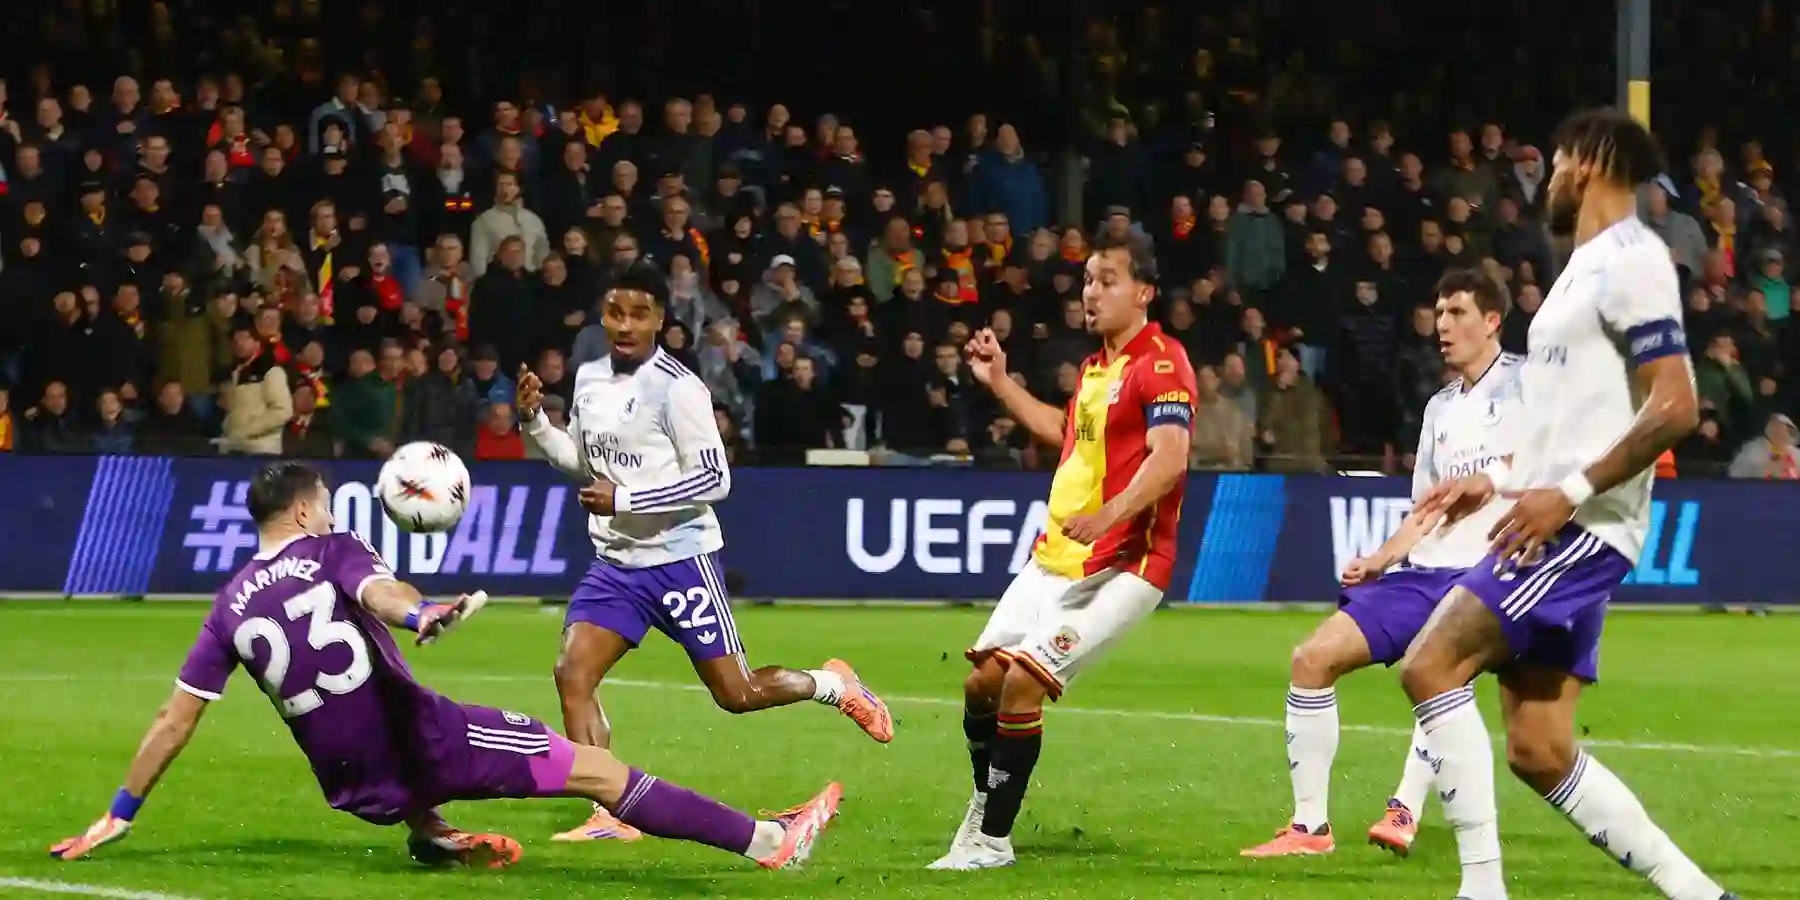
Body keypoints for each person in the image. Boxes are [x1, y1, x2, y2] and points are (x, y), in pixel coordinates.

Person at [47, 462, 841, 870]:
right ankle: (767, 840)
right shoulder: (330, 550)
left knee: (388, 743)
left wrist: (120, 809)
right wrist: (419, 612)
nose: (327, 512)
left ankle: (432, 835)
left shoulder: (228, 604)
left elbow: (175, 718)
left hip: (354, 786)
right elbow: (381, 592)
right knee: (599, 771)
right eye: (321, 502)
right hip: (424, 741)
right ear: (300, 513)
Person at [1407, 109, 1737, 900]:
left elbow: (1676, 402)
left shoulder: (1633, 258)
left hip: (1581, 530)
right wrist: (1502, 483)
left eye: (1554, 161)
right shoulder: (1583, 268)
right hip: (1552, 518)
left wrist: (1572, 494)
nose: (1547, 178)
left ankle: (1481, 890)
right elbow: (1575, 420)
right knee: (1540, 748)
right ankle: (1701, 895)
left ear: (1587, 162)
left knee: (1430, 663)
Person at [517, 262, 892, 843]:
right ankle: (610, 814)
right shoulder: (589, 378)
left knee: (736, 693)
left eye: (639, 314)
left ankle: (834, 685)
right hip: (616, 566)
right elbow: (585, 466)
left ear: (660, 321)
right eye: (616, 311)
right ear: (603, 316)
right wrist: (536, 423)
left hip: (678, 559)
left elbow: (716, 479)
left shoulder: (678, 388)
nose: (626, 324)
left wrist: (628, 497)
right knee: (573, 674)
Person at [928, 233, 1196, 870]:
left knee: (1022, 682)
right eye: (1088, 280)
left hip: (1124, 563)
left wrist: (1108, 514)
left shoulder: (1161, 363)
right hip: (1056, 558)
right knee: (981, 687)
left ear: (1145, 293)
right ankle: (989, 806)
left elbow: (1171, 459)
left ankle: (991, 841)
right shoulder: (1097, 367)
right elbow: (1063, 432)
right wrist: (999, 382)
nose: (1091, 292)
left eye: (1107, 279)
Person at [1241, 269, 1523, 860]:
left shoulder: (1531, 385)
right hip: (1425, 571)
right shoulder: (1440, 408)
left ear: (1492, 320)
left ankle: (1405, 805)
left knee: (1438, 673)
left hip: (1494, 573)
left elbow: (1554, 459)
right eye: (1439, 313)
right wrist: (1382, 558)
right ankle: (1309, 829)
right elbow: (1426, 507)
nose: (1442, 326)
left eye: (1457, 313)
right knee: (1311, 659)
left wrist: (1492, 478)